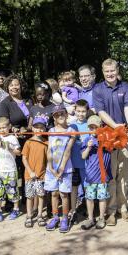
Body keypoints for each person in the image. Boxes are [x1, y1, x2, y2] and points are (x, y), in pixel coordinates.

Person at [92, 58, 128, 226]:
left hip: (125, 134)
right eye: (107, 71)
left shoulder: (126, 87)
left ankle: (123, 209)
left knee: (123, 174)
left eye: (113, 71)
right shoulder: (98, 89)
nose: (110, 74)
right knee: (111, 175)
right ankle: (111, 211)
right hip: (107, 135)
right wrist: (114, 126)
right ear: (103, 73)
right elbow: (100, 111)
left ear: (117, 71)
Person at [44, 105, 76, 233]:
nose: (60, 116)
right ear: (54, 117)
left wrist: (62, 168)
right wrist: (51, 167)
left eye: (62, 113)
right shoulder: (51, 130)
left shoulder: (71, 130)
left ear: (66, 115)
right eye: (57, 115)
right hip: (52, 168)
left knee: (63, 194)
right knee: (54, 193)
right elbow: (50, 150)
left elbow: (68, 150)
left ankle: (64, 218)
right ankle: (55, 216)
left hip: (65, 168)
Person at [80, 115, 112, 230]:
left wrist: (103, 140)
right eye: (91, 128)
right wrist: (88, 148)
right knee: (89, 198)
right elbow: (83, 156)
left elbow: (112, 147)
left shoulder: (107, 138)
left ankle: (102, 218)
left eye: (96, 127)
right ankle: (90, 218)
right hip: (90, 176)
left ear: (101, 127)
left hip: (102, 176)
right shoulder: (86, 140)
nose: (93, 130)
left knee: (102, 198)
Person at [0, 117, 21, 222]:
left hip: (10, 170)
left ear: (9, 127)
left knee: (13, 191)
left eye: (4, 127)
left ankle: (16, 208)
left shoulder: (13, 138)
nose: (2, 130)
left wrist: (11, 148)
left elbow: (18, 152)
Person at [21, 117, 48, 228]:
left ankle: (40, 215)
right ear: (32, 128)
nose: (39, 130)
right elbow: (24, 158)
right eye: (36, 127)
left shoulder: (46, 143)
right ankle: (29, 215)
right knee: (30, 197)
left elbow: (47, 160)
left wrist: (45, 173)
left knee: (41, 196)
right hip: (29, 176)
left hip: (41, 175)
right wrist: (30, 171)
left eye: (41, 128)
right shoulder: (28, 142)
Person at [69, 99, 90, 223]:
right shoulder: (71, 125)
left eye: (83, 111)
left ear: (87, 111)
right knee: (74, 188)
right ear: (75, 111)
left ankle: (89, 210)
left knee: (87, 188)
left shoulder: (89, 125)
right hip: (73, 163)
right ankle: (73, 210)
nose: (81, 114)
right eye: (78, 111)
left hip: (86, 164)